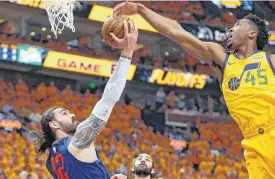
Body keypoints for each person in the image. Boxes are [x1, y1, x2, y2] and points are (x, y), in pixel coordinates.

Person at [113, 2, 275, 179]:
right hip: (253, 145)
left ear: (252, 33)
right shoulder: (222, 60)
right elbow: (176, 32)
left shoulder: (270, 60)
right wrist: (141, 9)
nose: (230, 30)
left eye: (237, 25)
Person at [29, 20, 138, 179]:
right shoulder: (79, 139)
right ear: (54, 124)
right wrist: (127, 53)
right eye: (64, 113)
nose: (72, 114)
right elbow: (108, 98)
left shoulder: (51, 161)